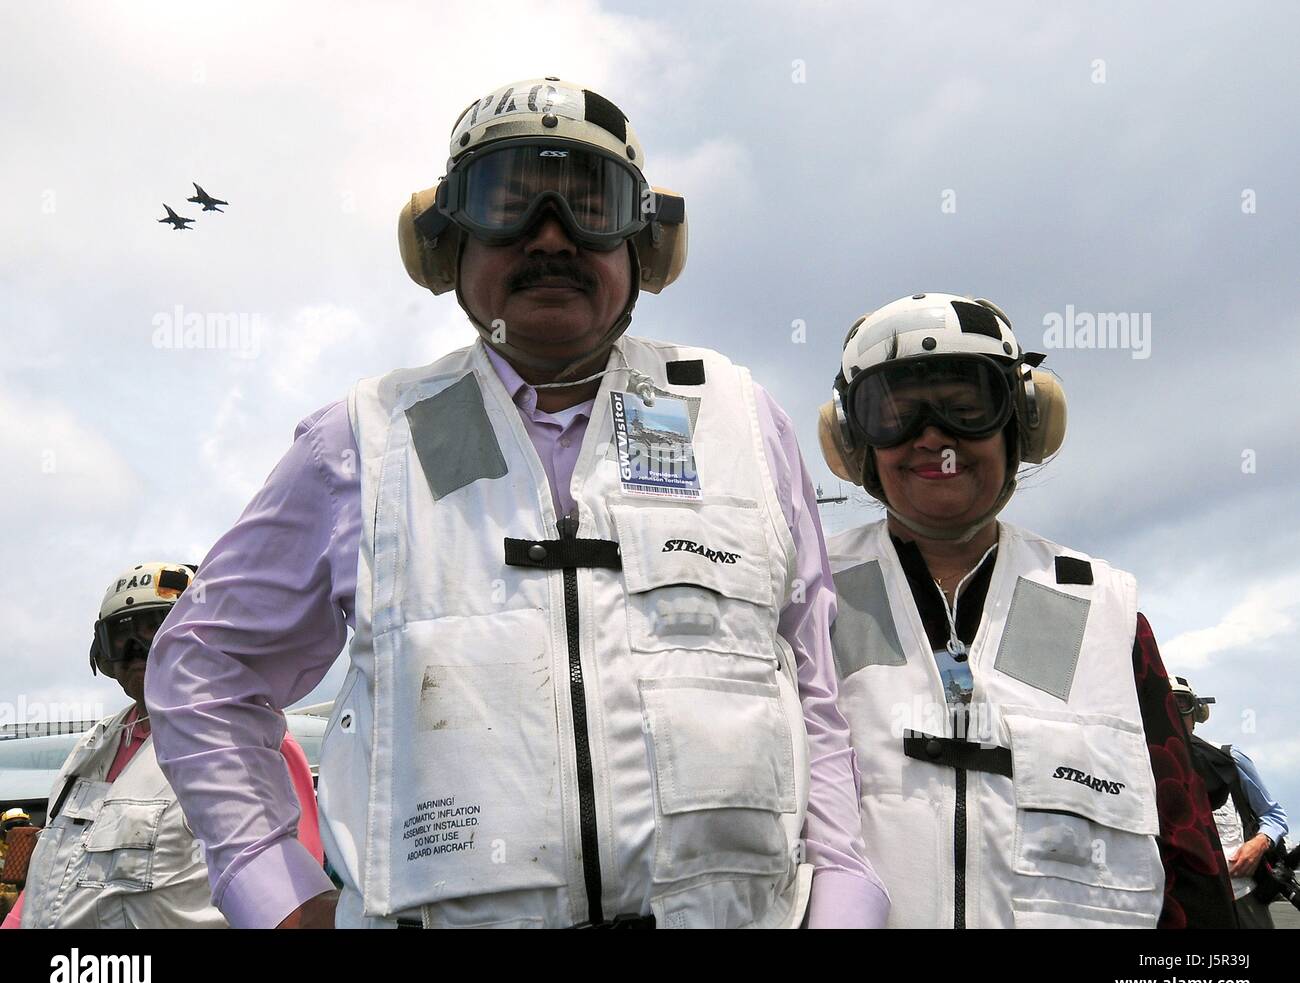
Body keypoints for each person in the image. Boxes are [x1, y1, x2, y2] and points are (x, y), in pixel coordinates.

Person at [146, 78, 888, 929]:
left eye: (590, 206)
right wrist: (274, 892)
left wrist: (844, 900)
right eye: (505, 204)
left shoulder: (740, 422)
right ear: (445, 246)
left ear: (645, 247)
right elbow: (203, 667)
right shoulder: (365, 440)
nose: (549, 237)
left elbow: (813, 691)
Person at [817, 292, 1237, 928]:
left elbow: (1188, 856)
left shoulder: (1102, 614)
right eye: (895, 415)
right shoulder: (807, 597)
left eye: (967, 409)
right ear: (853, 443)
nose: (933, 439)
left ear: (1025, 423)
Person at [2, 562, 323, 929]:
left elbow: (295, 892)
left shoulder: (252, 739)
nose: (138, 652)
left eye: (155, 630)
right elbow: (52, 872)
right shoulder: (90, 749)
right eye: (122, 639)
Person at [1172, 674, 1289, 928]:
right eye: (1163, 706)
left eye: (1180, 704)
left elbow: (1274, 815)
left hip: (1239, 894)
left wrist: (1259, 843)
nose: (1173, 715)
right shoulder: (1139, 764)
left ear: (1196, 711)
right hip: (1174, 897)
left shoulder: (1228, 758)